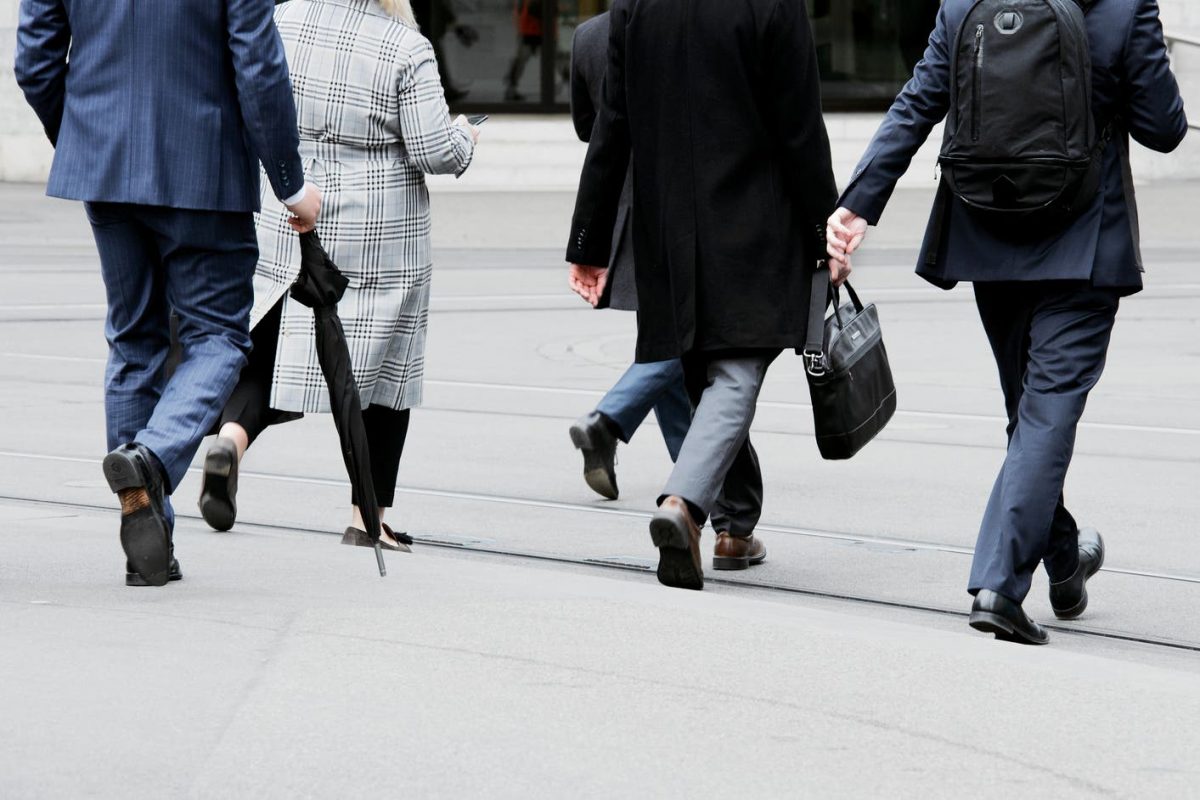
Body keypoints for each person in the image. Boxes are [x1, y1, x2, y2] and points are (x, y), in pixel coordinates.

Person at [827, 0, 1187, 643]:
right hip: (1084, 242)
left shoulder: (966, 4)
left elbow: (916, 105)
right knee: (1045, 413)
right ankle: (999, 584)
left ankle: (1064, 557)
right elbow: (1163, 128)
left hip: (989, 232)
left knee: (1028, 414)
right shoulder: (1127, 7)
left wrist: (857, 206)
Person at [15, 0, 320, 587]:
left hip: (104, 160)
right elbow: (257, 63)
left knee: (134, 340)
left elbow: (34, 60)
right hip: (202, 166)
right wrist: (290, 181)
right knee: (220, 337)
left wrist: (86, 138)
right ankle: (150, 462)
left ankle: (147, 539)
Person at [567, 0, 839, 590]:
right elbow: (800, 129)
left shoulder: (636, 6)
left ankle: (735, 528)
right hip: (754, 226)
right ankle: (684, 506)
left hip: (668, 231)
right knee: (735, 375)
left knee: (701, 374)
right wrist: (827, 227)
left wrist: (587, 240)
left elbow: (612, 127)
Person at [197, 0, 478, 552]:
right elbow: (433, 151)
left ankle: (232, 438)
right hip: (375, 236)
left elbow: (243, 99)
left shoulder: (282, 19)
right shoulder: (404, 46)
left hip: (289, 209)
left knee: (273, 349)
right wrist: (466, 135)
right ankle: (366, 517)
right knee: (381, 374)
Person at [565, 11, 692, 501]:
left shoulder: (588, 36)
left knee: (663, 342)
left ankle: (696, 479)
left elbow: (587, 128)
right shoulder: (678, 22)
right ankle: (609, 416)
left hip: (623, 206)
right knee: (688, 341)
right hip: (681, 207)